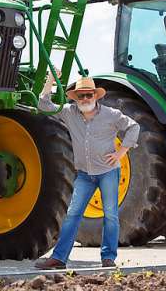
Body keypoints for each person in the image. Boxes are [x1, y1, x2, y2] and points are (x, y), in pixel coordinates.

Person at [34, 71, 140, 269]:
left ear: (95, 96)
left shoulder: (111, 114)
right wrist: (49, 81)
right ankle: (59, 259)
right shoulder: (69, 112)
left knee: (110, 215)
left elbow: (134, 127)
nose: (84, 99)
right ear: (76, 98)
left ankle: (108, 258)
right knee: (73, 215)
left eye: (88, 95)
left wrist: (121, 153)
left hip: (108, 173)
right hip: (84, 175)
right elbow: (43, 106)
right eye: (80, 95)